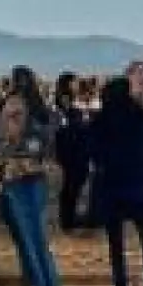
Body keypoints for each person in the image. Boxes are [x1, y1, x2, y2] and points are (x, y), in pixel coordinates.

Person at [0, 66, 61, 286]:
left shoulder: (11, 107)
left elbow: (4, 140)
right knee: (38, 235)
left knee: (28, 235)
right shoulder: (43, 111)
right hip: (38, 175)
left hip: (16, 176)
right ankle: (48, 285)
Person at [91, 71, 143, 286]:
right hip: (138, 181)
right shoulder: (141, 116)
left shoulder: (101, 120)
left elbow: (95, 152)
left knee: (115, 240)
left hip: (112, 184)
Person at [50, 72, 93, 233]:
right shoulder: (64, 101)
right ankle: (67, 219)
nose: (77, 84)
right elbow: (66, 125)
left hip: (74, 148)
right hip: (71, 149)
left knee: (74, 183)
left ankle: (69, 217)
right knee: (72, 184)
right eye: (75, 82)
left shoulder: (71, 101)